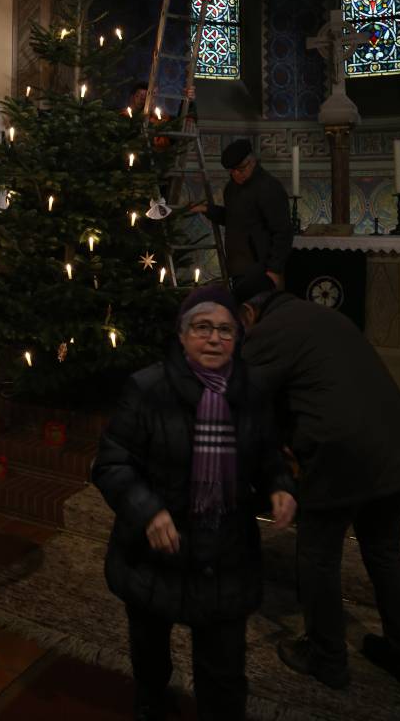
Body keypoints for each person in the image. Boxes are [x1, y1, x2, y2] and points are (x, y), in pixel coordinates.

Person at [91, 284, 296, 720]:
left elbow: (267, 453)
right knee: (150, 654)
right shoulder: (148, 388)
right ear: (182, 335)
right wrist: (148, 510)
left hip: (225, 553)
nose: (215, 338)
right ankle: (152, 701)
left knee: (223, 672)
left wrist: (280, 485)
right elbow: (112, 463)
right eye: (203, 328)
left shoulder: (252, 389)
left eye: (225, 330)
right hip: (154, 552)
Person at [234, 273, 400, 691]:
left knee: (318, 555)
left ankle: (326, 657)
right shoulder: (321, 315)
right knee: (384, 553)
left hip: (342, 453)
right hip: (395, 445)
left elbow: (244, 397)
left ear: (248, 313)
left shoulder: (267, 330)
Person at [192, 139, 292, 286]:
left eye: (240, 169)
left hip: (262, 268)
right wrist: (207, 209)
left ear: (252, 162)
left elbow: (282, 231)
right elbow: (234, 219)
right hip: (238, 267)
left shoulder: (269, 187)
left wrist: (274, 269)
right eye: (232, 171)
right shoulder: (231, 189)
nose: (236, 175)